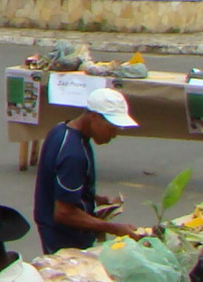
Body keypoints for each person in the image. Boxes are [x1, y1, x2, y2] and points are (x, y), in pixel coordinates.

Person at [33, 87, 145, 253]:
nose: (114, 135)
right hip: (64, 239)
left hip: (52, 227)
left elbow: (59, 184)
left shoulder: (61, 130)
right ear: (94, 116)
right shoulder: (74, 155)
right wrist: (112, 228)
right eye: (112, 128)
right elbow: (64, 213)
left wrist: (94, 198)